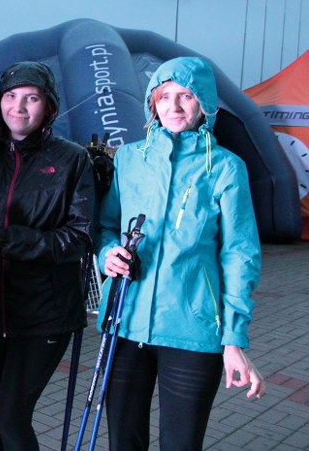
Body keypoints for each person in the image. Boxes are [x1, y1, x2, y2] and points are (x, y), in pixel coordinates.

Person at [97, 56, 265, 450]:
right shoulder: (128, 158)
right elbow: (106, 226)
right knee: (123, 441)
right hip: (125, 320)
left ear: (204, 102)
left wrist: (234, 339)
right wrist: (107, 254)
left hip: (192, 329)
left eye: (186, 96)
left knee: (181, 443)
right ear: (152, 103)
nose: (173, 106)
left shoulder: (226, 167)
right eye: (164, 96)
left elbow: (240, 255)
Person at [0, 61, 95, 450]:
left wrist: (7, 240)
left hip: (46, 314)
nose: (19, 107)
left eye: (31, 98)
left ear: (49, 106)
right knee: (3, 417)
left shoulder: (72, 159)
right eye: (10, 96)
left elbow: (79, 237)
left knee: (11, 418)